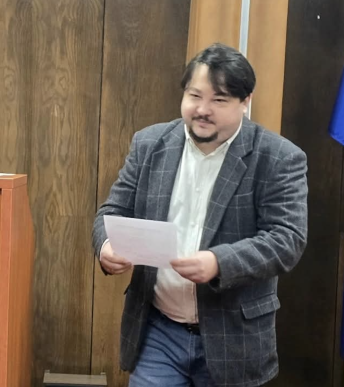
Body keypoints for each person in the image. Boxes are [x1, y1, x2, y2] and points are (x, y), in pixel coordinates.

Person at [93, 43, 308, 387]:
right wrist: (105, 246)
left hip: (233, 337)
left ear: (245, 101)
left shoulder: (278, 158)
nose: (203, 110)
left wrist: (218, 263)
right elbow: (112, 211)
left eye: (219, 100)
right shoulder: (150, 144)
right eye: (195, 96)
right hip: (158, 330)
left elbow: (286, 239)